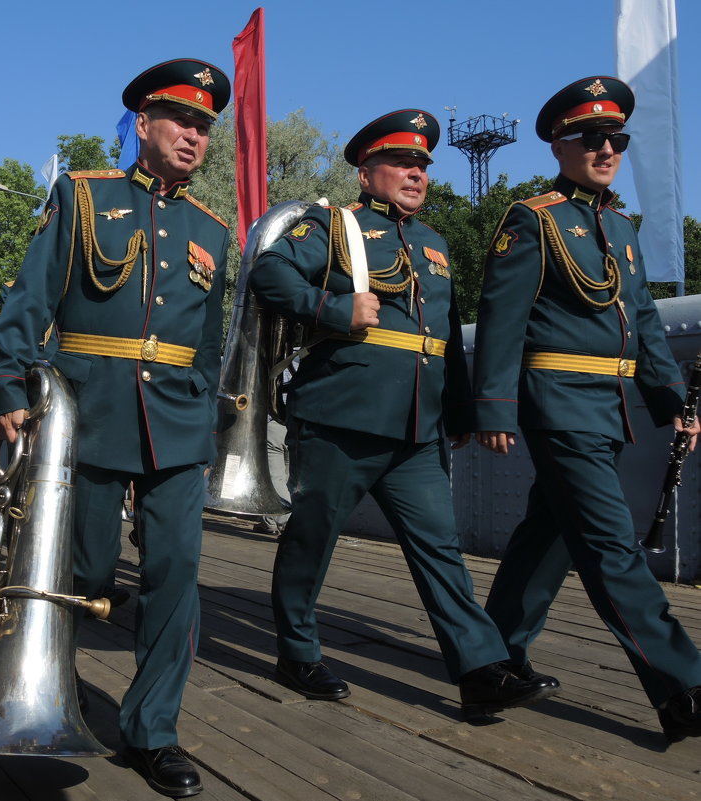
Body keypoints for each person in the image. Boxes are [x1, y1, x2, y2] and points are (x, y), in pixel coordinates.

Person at [250, 110, 560, 718]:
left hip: (417, 427)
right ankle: (296, 649)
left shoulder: (436, 245)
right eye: (402, 163)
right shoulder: (332, 226)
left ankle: (479, 671)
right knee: (313, 538)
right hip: (343, 417)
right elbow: (269, 272)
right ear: (367, 174)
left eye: (422, 165)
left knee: (440, 549)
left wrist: (463, 408)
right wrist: (333, 309)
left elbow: (443, 337)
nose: (416, 174)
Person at [0, 58, 230, 798]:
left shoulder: (213, 230)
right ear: (143, 124)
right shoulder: (84, 196)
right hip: (88, 413)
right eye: (181, 120)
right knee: (82, 574)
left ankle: (153, 731)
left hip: (179, 422)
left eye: (205, 126)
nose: (193, 135)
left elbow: (208, 341)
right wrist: (4, 381)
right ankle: (53, 686)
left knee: (175, 575)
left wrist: (210, 422)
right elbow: (30, 297)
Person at [473, 75, 701, 743]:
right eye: (592, 138)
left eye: (617, 139)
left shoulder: (621, 226)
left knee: (547, 536)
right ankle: (683, 684)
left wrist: (671, 404)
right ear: (559, 145)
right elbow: (501, 319)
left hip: (610, 408)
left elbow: (646, 324)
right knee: (610, 548)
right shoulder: (534, 219)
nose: (607, 149)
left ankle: (492, 658)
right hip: (558, 406)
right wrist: (492, 408)